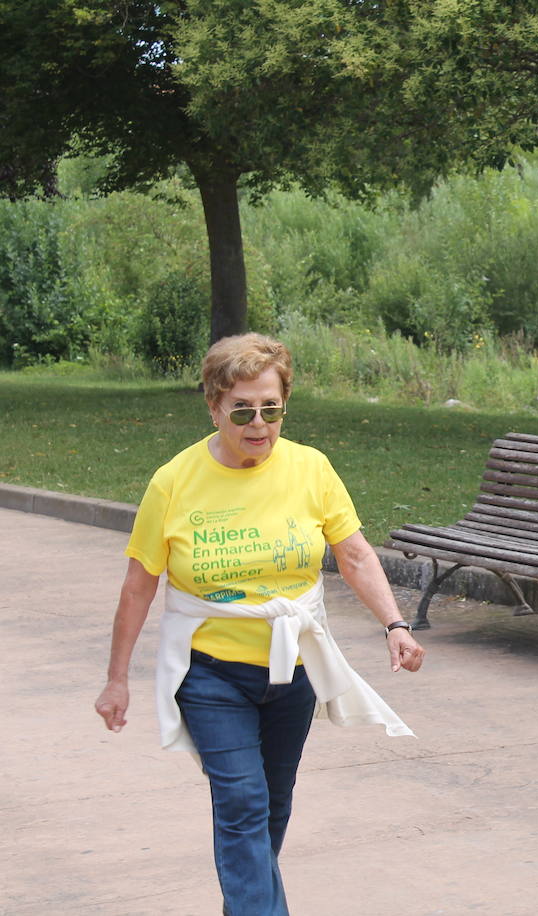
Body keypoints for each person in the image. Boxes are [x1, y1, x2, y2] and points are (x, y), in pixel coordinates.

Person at [94, 333, 425, 916]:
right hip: (211, 675)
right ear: (214, 407)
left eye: (271, 409)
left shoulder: (311, 469)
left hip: (292, 669)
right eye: (242, 410)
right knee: (242, 803)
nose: (258, 424)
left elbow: (353, 554)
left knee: (271, 806)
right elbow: (139, 585)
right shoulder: (174, 482)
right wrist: (116, 678)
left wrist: (395, 623)